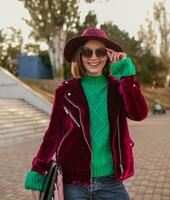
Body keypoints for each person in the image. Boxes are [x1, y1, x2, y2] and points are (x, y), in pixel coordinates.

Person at [24, 28, 148, 200]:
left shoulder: (117, 88)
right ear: (79, 56)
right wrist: (38, 169)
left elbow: (138, 113)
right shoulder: (65, 91)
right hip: (73, 182)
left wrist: (126, 77)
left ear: (107, 56)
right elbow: (54, 133)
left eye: (100, 52)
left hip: (111, 181)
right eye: (87, 52)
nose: (94, 57)